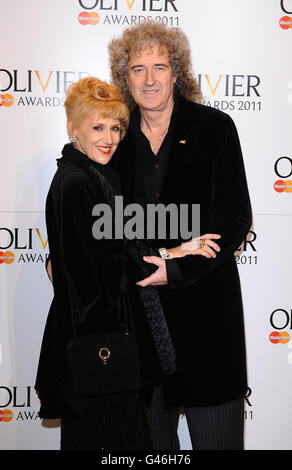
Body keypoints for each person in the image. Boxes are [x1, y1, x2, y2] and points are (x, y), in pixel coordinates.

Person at [35, 76, 220, 450]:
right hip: (98, 350)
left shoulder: (98, 178)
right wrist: (176, 253)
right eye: (97, 127)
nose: (109, 137)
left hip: (106, 345)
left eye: (116, 127)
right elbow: (108, 271)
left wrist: (179, 245)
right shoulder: (76, 183)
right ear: (74, 129)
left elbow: (116, 245)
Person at [108, 21, 252, 450]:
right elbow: (105, 224)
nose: (149, 79)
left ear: (177, 73)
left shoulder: (215, 128)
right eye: (137, 68)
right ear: (125, 76)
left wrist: (177, 269)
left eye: (159, 67)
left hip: (208, 323)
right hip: (142, 330)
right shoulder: (113, 137)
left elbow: (233, 220)